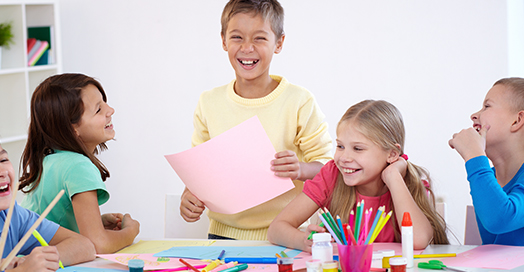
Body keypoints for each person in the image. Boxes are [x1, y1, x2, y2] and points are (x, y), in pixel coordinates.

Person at [180, 0, 333, 240]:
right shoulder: (209, 102)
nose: (247, 48)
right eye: (237, 37)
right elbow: (200, 172)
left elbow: (329, 170)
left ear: (279, 43)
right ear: (223, 40)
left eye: (260, 38)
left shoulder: (299, 101)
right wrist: (190, 196)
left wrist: (301, 169)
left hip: (286, 234)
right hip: (222, 235)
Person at [268, 100, 449, 251]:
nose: (344, 158)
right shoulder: (331, 175)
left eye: (358, 149)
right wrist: (303, 240)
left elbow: (418, 240)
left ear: (392, 154)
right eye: (340, 146)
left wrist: (394, 176)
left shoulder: (409, 182)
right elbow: (276, 229)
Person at [0, 123, 95, 272]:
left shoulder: (11, 215)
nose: (2, 170)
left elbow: (84, 246)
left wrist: (32, 262)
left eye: (3, 160)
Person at [19, 73, 139, 253]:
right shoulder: (78, 166)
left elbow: (52, 221)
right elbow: (98, 245)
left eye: (105, 102)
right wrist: (130, 232)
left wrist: (91, 224)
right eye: (98, 109)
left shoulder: (49, 160)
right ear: (72, 128)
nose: (110, 110)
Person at [449, 77, 524, 246]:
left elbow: (501, 219)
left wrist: (474, 155)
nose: (474, 115)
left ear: (517, 120)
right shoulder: (486, 176)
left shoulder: (480, 170)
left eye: (487, 106)